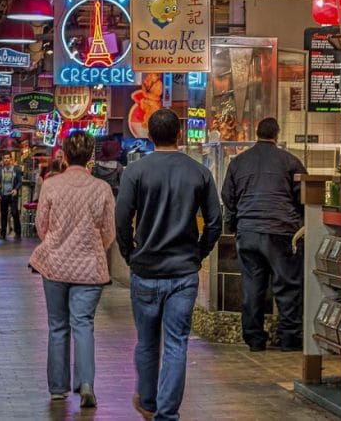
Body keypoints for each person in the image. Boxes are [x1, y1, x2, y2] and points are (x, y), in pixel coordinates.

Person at [116, 109, 222, 421]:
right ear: (179, 135)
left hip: (146, 270)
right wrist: (198, 254)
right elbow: (215, 222)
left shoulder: (135, 172)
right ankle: (167, 414)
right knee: (177, 344)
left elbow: (121, 220)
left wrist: (129, 254)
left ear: (149, 136)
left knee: (147, 342)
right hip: (183, 272)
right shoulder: (199, 172)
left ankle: (148, 402)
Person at [29, 131, 116, 408]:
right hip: (90, 268)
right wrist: (92, 248)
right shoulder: (101, 189)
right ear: (91, 156)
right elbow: (109, 232)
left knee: (57, 326)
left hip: (55, 265)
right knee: (84, 324)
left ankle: (57, 388)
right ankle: (86, 383)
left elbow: (41, 227)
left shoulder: (51, 186)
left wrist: (57, 243)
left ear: (64, 155)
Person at [220, 117, 308, 352]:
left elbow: (227, 196)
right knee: (287, 286)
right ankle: (289, 339)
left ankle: (254, 339)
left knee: (252, 287)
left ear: (257, 133)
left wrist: (237, 220)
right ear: (277, 135)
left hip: (248, 233)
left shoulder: (238, 162)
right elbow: (306, 197)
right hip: (281, 231)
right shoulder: (290, 161)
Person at [0, 152, 23, 240]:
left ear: (11, 159)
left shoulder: (16, 170)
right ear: (3, 159)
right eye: (5, 158)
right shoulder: (0, 170)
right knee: (3, 214)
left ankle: (18, 232)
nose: (6, 159)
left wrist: (16, 189)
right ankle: (3, 233)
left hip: (12, 195)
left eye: (8, 158)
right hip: (3, 195)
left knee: (14, 213)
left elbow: (20, 181)